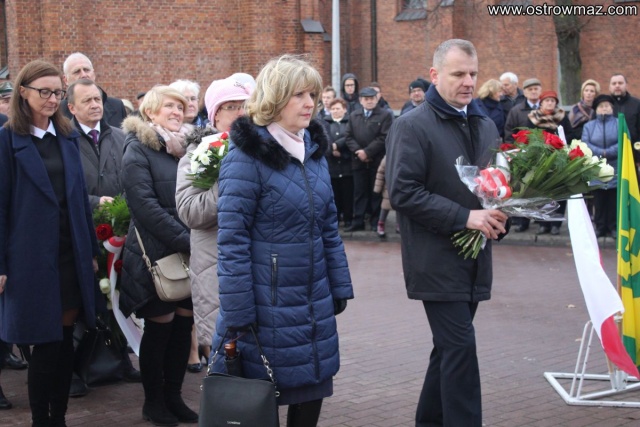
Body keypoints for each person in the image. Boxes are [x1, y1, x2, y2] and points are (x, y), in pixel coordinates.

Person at [212, 54, 354, 427]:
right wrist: (239, 310)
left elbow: (328, 226)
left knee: (311, 392)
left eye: (313, 95)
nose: (310, 103)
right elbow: (232, 240)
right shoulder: (246, 157)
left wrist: (338, 286)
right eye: (299, 95)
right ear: (275, 98)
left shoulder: (314, 151)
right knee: (261, 402)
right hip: (266, 304)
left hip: (312, 301)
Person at [386, 39, 508, 427]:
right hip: (434, 260)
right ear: (435, 75)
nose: (469, 81)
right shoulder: (411, 125)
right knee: (460, 349)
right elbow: (403, 192)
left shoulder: (485, 124)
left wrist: (500, 214)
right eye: (459, 74)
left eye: (473, 73)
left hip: (474, 258)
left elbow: (494, 186)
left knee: (448, 351)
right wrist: (466, 217)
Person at [0, 59, 100, 427]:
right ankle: (41, 420)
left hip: (69, 254)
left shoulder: (67, 136)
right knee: (43, 346)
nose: (52, 99)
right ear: (23, 92)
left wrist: (90, 252)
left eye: (57, 92)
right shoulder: (7, 140)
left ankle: (59, 417)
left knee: (63, 341)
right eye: (44, 92)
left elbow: (80, 200)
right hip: (30, 258)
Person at [119, 85, 197, 426]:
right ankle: (153, 403)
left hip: (187, 253)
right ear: (150, 111)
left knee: (183, 326)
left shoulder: (186, 149)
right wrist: (186, 239)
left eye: (180, 107)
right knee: (160, 328)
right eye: (169, 106)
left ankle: (174, 397)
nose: (177, 112)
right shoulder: (137, 148)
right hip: (154, 255)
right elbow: (144, 205)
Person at [66, 78, 141, 385]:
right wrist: (95, 203)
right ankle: (74, 368)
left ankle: (120, 360)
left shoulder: (121, 136)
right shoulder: (64, 139)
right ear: (71, 108)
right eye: (87, 100)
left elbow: (132, 179)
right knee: (81, 300)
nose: (95, 105)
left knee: (117, 296)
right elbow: (62, 189)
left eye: (97, 99)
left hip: (119, 231)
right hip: (81, 231)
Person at [175, 76, 251, 374]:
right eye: (231, 106)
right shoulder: (200, 153)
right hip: (217, 269)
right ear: (215, 115)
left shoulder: (264, 150)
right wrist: (229, 180)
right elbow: (190, 211)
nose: (240, 112)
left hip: (256, 268)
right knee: (228, 363)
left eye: (245, 105)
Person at [344, 86, 393, 232]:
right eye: (366, 99)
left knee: (375, 192)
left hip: (376, 161)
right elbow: (348, 136)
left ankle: (374, 221)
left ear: (377, 99)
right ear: (361, 100)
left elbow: (384, 137)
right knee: (359, 192)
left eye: (372, 98)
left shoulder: (385, 115)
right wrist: (359, 152)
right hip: (358, 160)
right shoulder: (354, 115)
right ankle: (358, 221)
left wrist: (367, 152)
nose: (369, 101)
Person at [526, 90, 573, 236]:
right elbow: (529, 136)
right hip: (540, 159)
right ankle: (543, 224)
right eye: (547, 101)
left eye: (553, 101)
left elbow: (570, 135)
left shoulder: (562, 117)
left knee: (558, 192)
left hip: (558, 159)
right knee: (542, 191)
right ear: (541, 103)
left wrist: (558, 142)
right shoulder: (533, 118)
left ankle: (555, 224)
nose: (550, 103)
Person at [504, 77, 542, 232]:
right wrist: (514, 151)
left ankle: (542, 220)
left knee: (541, 186)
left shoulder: (546, 108)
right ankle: (522, 221)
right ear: (524, 92)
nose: (533, 92)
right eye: (530, 89)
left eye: (536, 89)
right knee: (521, 188)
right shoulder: (516, 111)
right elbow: (509, 132)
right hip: (522, 156)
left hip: (542, 156)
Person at [582, 94, 618, 238]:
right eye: (601, 106)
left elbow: (624, 141)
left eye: (607, 106)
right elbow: (586, 143)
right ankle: (600, 226)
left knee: (613, 200)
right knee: (599, 199)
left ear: (612, 108)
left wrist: (607, 152)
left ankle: (613, 226)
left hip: (615, 166)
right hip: (596, 167)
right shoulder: (589, 126)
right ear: (596, 109)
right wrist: (600, 153)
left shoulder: (619, 124)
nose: (604, 108)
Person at [60, 52, 128, 128]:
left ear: (94, 74)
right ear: (65, 80)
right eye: (77, 71)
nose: (84, 75)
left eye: (86, 70)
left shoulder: (116, 106)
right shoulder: (58, 111)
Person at [322, 97, 353, 228]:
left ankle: (348, 219)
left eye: (338, 108)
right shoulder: (325, 123)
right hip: (331, 166)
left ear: (344, 110)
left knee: (348, 195)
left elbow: (350, 138)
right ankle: (336, 219)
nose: (335, 111)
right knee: (335, 196)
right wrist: (332, 148)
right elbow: (324, 139)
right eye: (333, 109)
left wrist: (339, 148)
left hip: (347, 165)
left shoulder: (350, 122)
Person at [609, 73, 640, 167]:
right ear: (610, 87)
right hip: (609, 158)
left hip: (632, 155)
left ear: (626, 85)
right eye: (614, 83)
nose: (617, 85)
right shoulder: (604, 105)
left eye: (620, 83)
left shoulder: (637, 104)